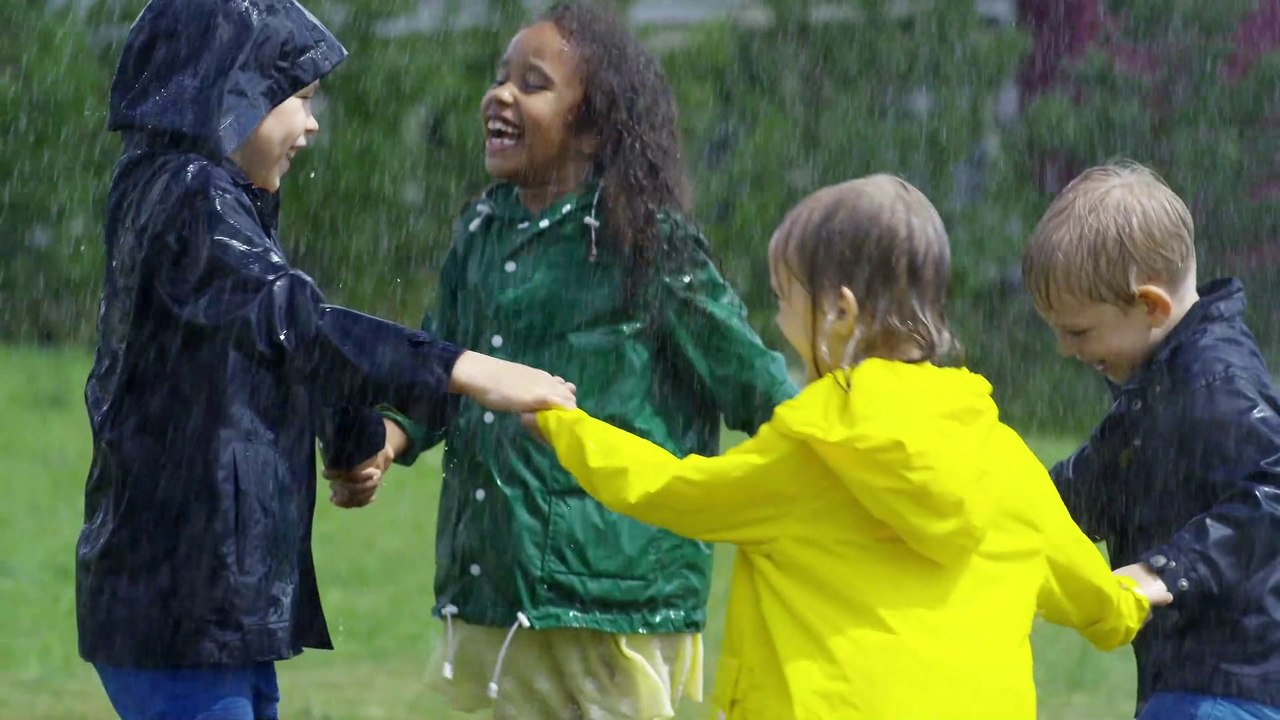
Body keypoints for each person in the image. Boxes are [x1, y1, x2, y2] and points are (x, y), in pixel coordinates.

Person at [77, 1, 574, 718]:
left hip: (208, 608)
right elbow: (295, 322)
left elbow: (272, 341)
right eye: (299, 98)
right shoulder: (184, 194)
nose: (311, 124)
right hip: (175, 611)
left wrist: (353, 438)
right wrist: (466, 368)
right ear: (230, 89)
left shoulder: (219, 198)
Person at [531, 175, 1154, 720]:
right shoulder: (999, 454)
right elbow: (1092, 597)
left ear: (839, 312)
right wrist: (1136, 597)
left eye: (784, 300)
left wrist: (562, 423)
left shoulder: (811, 450)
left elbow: (670, 491)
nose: (777, 322)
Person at [332, 2, 796, 718]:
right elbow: (439, 367)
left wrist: (835, 460)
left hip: (609, 600)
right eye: (500, 78)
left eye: (533, 83)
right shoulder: (482, 232)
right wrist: (390, 441)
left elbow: (757, 385)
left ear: (594, 124)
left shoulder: (646, 243)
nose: (501, 95)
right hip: (495, 583)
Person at [1021, 161, 1280, 720]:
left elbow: (1274, 488)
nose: (1065, 349)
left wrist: (1170, 568)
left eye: (1078, 331)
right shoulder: (1157, 390)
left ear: (1150, 306)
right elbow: (1092, 484)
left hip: (1234, 683)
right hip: (1194, 681)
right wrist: (1005, 509)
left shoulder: (1215, 381)